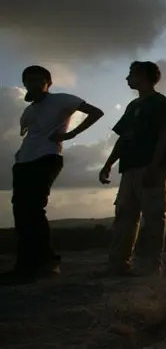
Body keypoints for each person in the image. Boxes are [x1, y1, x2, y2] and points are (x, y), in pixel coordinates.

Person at [1, 65, 104, 285]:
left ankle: (36, 265)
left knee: (33, 208)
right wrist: (19, 157)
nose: (33, 82)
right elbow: (28, 134)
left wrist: (71, 134)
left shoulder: (62, 99)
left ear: (49, 82)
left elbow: (96, 112)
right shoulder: (28, 112)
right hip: (24, 161)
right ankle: (35, 263)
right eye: (28, 79)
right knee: (22, 212)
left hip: (47, 158)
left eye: (39, 79)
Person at [99, 61, 166, 276]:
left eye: (131, 74)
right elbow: (123, 138)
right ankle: (118, 264)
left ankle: (149, 266)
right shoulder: (133, 107)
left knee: (152, 216)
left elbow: (165, 137)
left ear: (143, 75)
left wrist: (154, 166)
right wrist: (108, 164)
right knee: (124, 215)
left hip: (150, 166)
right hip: (129, 167)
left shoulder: (160, 102)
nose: (127, 78)